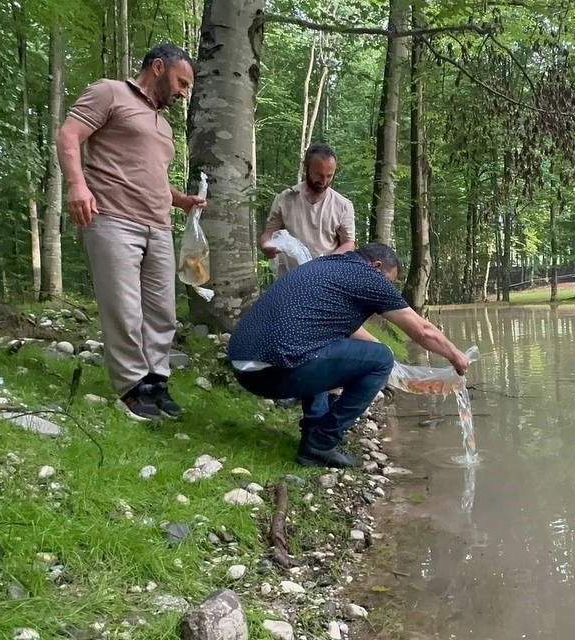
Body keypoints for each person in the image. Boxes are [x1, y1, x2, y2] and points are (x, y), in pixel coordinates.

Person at [56, 43, 206, 421]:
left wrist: (181, 201)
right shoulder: (110, 92)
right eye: (181, 82)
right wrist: (77, 185)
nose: (183, 92)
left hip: (157, 226)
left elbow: (149, 176)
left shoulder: (164, 124)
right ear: (158, 67)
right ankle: (131, 387)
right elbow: (69, 135)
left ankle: (156, 381)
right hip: (112, 220)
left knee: (162, 312)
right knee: (124, 310)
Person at [227, 243, 469, 468]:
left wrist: (376, 355)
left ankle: (314, 428)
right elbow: (423, 331)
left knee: (322, 344)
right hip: (272, 373)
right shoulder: (368, 277)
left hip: (244, 367)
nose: (388, 287)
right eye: (389, 280)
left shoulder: (326, 265)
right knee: (381, 359)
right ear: (376, 267)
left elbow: (334, 326)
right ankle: (320, 443)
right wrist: (456, 356)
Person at [259, 144, 356, 271]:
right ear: (306, 168)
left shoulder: (343, 205)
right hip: (290, 277)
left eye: (329, 176)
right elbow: (268, 234)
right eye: (319, 175)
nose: (324, 181)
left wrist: (325, 263)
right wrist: (266, 245)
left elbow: (348, 243)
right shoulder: (285, 198)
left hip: (326, 276)